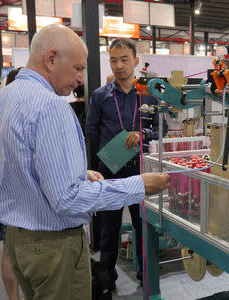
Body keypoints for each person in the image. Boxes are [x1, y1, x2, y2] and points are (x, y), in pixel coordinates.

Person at [0, 24, 169, 300]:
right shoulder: (52, 106)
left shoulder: (1, 100)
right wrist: (139, 186)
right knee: (109, 232)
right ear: (51, 58)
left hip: (18, 241)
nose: (81, 79)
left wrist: (77, 172)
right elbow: (67, 199)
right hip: (53, 247)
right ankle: (109, 277)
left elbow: (21, 162)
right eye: (78, 68)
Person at [86, 38, 168, 290]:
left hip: (141, 169)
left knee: (142, 224)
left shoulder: (151, 95)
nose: (119, 65)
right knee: (108, 229)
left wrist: (144, 135)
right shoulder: (100, 96)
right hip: (109, 170)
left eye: (124, 60)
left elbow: (162, 129)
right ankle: (107, 278)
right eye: (113, 60)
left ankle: (146, 273)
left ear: (135, 61)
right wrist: (107, 155)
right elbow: (91, 131)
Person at [0, 68, 22, 300]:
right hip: (25, 190)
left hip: (3, 188)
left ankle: (13, 298)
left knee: (7, 250)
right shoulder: (25, 107)